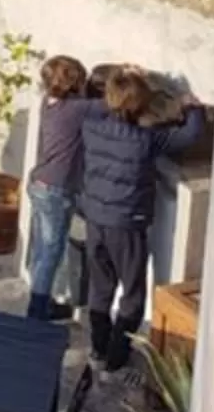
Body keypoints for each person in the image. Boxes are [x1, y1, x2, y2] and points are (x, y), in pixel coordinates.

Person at [76, 65, 206, 372]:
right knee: (133, 293)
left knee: (101, 285)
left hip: (95, 217)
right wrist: (192, 106)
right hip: (126, 223)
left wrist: (122, 79)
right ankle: (117, 355)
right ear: (142, 106)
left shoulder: (92, 125)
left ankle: (98, 346)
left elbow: (97, 101)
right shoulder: (146, 140)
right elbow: (190, 134)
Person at [24, 52, 89, 322]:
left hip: (39, 182)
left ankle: (42, 300)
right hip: (56, 189)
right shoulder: (77, 109)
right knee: (51, 251)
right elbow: (113, 105)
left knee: (42, 248)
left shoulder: (48, 103)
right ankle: (37, 311)